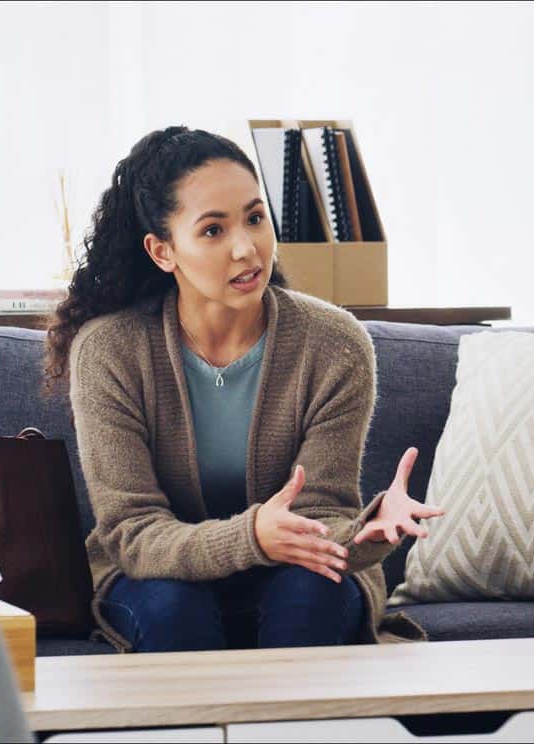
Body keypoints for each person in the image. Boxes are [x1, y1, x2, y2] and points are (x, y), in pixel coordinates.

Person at [45, 127, 443, 653]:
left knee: (310, 597)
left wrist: (365, 531)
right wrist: (251, 538)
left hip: (293, 570)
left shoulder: (334, 344)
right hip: (159, 575)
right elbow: (133, 533)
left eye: (255, 218)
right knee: (172, 608)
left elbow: (320, 515)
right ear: (163, 250)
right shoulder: (110, 351)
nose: (246, 248)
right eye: (212, 230)